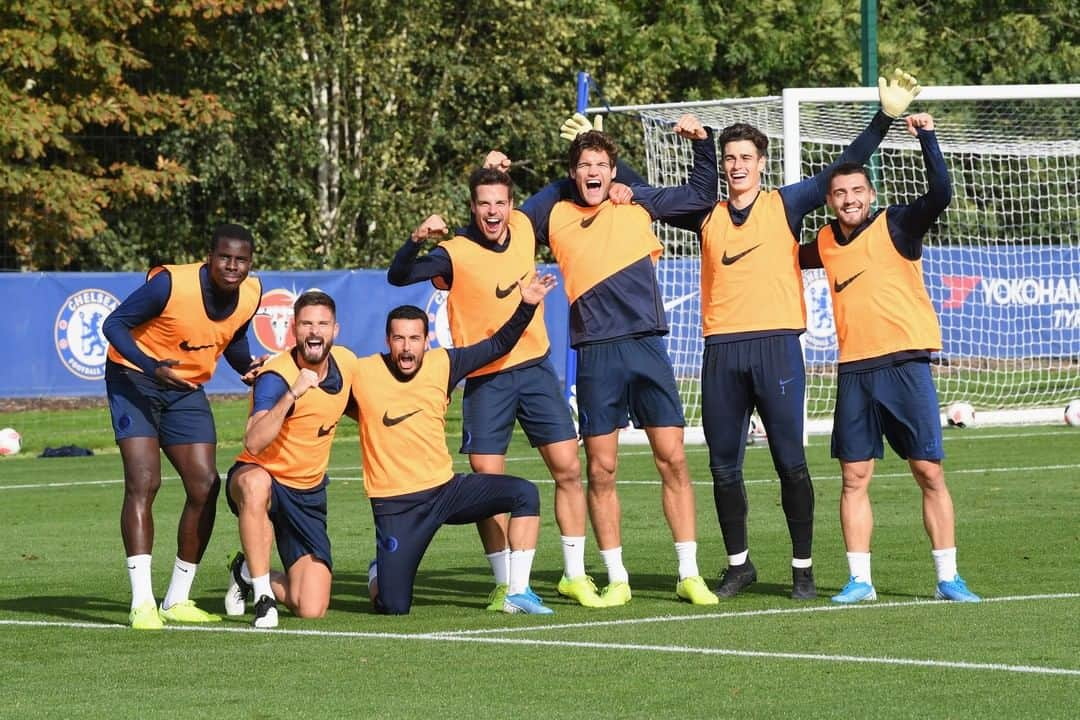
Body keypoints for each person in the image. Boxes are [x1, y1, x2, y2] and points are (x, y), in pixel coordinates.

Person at [642, 69, 923, 600]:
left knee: (790, 463)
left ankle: (802, 569)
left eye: (746, 158)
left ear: (762, 163)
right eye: (730, 159)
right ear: (723, 168)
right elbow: (644, 195)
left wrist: (884, 117)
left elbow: (847, 164)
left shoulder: (786, 204)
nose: (737, 166)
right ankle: (739, 565)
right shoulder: (706, 215)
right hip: (722, 350)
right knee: (724, 466)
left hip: (777, 349)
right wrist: (606, 169)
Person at [487, 113, 720, 606]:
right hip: (595, 353)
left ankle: (688, 572)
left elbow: (700, 196)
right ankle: (617, 577)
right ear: (572, 172)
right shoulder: (553, 216)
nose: (594, 173)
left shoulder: (636, 201)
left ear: (615, 172)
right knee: (602, 469)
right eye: (584, 165)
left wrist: (703, 143)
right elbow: (501, 223)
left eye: (602, 165)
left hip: (647, 347)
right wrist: (501, 174)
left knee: (673, 460)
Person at [387, 168, 602, 609]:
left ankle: (575, 575)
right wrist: (416, 238)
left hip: (537, 370)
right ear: (472, 207)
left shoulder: (525, 224)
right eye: (484, 203)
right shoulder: (454, 252)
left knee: (568, 469)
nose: (493, 211)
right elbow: (399, 275)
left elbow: (569, 182)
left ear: (510, 204)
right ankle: (506, 584)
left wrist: (618, 183)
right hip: (487, 379)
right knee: (489, 482)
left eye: (499, 202)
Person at [798, 113, 980, 604]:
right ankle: (860, 581)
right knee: (853, 476)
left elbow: (940, 192)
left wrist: (928, 138)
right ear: (830, 201)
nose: (849, 199)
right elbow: (777, 253)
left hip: (905, 366)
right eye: (839, 193)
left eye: (857, 190)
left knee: (928, 471)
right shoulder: (823, 243)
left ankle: (948, 578)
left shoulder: (898, 223)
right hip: (855, 370)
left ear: (871, 194)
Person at [360, 272, 560, 615]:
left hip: (445, 492)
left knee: (525, 493)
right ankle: (379, 571)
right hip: (396, 507)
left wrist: (527, 305)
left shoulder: (444, 363)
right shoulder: (361, 372)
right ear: (387, 340)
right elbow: (324, 385)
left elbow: (498, 345)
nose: (406, 347)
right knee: (392, 606)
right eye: (399, 339)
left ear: (427, 341)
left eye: (414, 339)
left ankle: (517, 590)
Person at [102, 223, 265, 630]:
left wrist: (249, 367)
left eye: (241, 259)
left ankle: (177, 599)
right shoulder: (170, 284)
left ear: (250, 262)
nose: (232, 266)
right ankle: (142, 602)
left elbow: (234, 337)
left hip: (185, 387)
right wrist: (151, 366)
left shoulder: (252, 293)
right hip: (134, 378)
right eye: (224, 257)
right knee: (145, 482)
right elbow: (114, 325)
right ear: (209, 257)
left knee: (205, 485)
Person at [223, 291, 357, 628]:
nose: (315, 331)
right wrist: (293, 394)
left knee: (311, 607)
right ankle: (263, 596)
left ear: (335, 330)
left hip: (307, 494)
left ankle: (245, 572)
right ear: (294, 330)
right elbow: (253, 442)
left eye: (322, 324)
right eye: (307, 324)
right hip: (261, 476)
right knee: (256, 483)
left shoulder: (348, 363)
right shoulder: (276, 375)